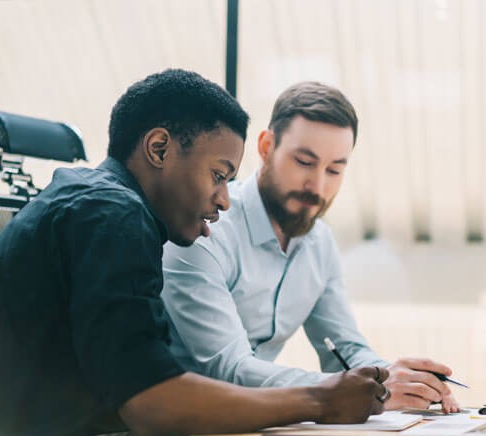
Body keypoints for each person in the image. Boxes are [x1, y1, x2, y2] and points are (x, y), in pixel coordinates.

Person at [0, 70, 388, 436]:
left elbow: (132, 385)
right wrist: (321, 401)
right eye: (218, 175)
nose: (224, 199)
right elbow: (154, 403)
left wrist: (136, 408)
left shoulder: (102, 204)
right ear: (159, 148)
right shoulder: (113, 214)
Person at [162, 81, 460, 413]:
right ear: (266, 147)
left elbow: (345, 349)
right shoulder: (204, 229)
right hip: (179, 424)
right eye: (304, 162)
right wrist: (360, 390)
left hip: (255, 421)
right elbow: (229, 369)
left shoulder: (319, 242)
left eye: (334, 169)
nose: (317, 186)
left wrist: (401, 380)